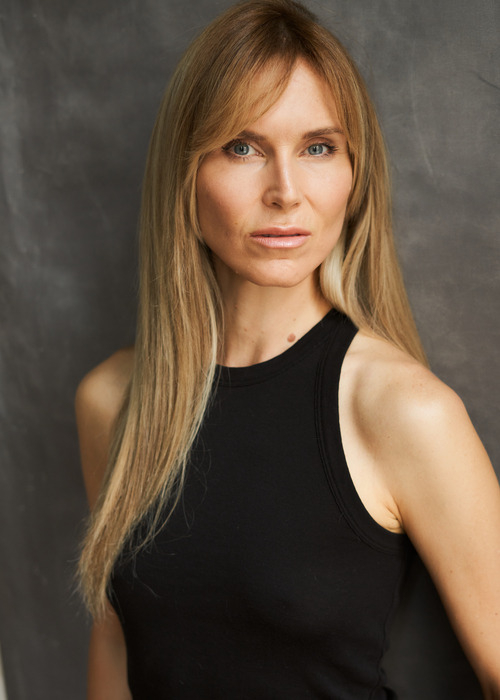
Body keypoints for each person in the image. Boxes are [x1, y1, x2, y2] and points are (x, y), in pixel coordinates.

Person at [75, 0, 500, 697]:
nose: (285, 192)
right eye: (242, 147)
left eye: (318, 147)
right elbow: (119, 636)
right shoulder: (111, 402)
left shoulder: (405, 412)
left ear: (355, 173)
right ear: (186, 171)